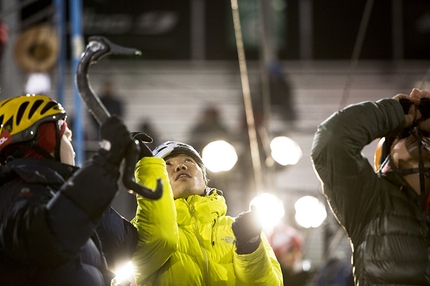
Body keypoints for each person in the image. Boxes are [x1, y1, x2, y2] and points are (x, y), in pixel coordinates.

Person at [0, 94, 138, 286]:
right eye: (67, 137)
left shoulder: (61, 197)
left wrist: (148, 166)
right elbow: (47, 241)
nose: (73, 150)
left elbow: (128, 245)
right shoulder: (13, 192)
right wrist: (104, 165)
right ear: (46, 141)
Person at [311, 88, 430, 285]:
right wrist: (395, 113)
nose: (414, 135)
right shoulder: (371, 200)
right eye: (404, 134)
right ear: (387, 158)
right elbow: (332, 142)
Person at [130, 139, 283, 285]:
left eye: (188, 161)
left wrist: (250, 248)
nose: (179, 167)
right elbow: (157, 239)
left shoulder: (240, 230)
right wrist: (148, 170)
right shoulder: (140, 229)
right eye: (167, 165)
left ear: (205, 179)